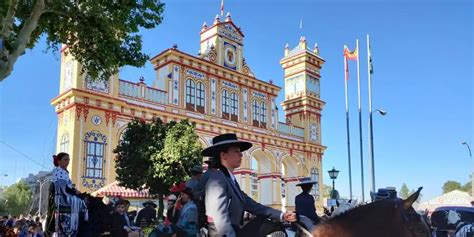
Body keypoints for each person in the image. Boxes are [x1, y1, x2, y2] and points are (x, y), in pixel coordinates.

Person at [202, 133, 297, 237]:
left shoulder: (230, 180)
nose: (241, 155)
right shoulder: (217, 179)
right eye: (236, 151)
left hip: (235, 230)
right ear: (223, 155)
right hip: (223, 233)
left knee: (274, 225)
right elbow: (217, 216)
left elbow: (252, 205)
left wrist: (281, 215)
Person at [45, 152, 87, 236]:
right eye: (65, 159)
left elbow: (68, 187)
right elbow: (63, 188)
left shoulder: (64, 172)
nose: (68, 161)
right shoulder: (58, 171)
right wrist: (75, 192)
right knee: (83, 202)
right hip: (61, 197)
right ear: (59, 161)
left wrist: (75, 191)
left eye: (69, 160)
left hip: (65, 195)